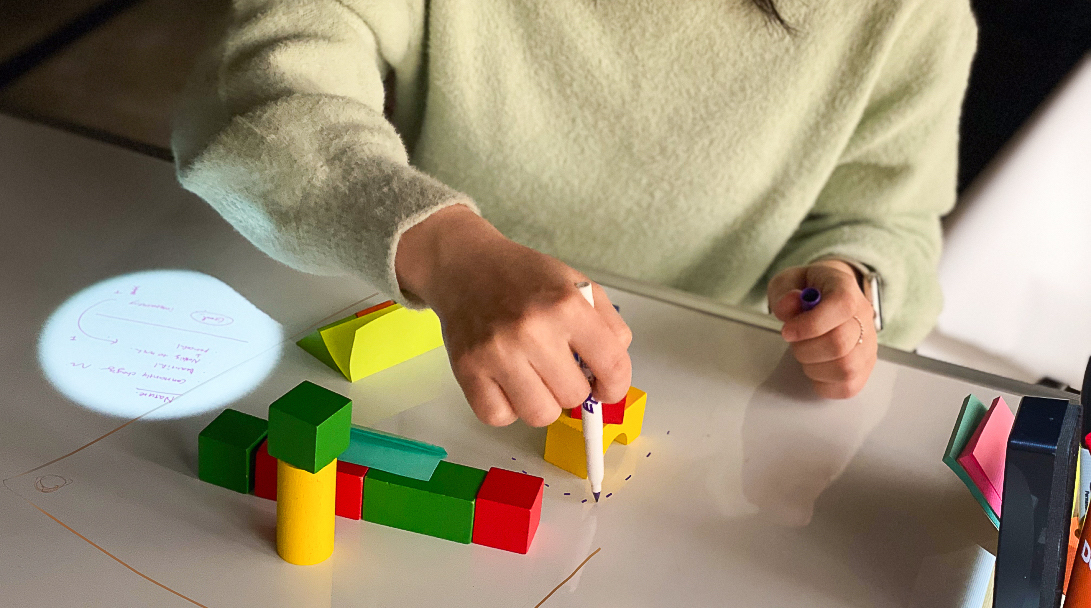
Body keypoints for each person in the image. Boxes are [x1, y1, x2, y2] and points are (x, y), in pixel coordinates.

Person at [172, 0, 977, 425]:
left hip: (705, 405)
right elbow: (259, 102)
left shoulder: (910, 15)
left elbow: (890, 219)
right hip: (417, 348)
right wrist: (448, 250)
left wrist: (848, 284)